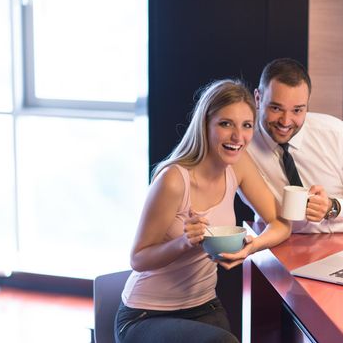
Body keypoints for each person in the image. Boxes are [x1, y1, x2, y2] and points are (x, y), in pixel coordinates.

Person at [115, 79, 291, 343]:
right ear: (205, 124)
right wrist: (185, 242)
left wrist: (250, 247)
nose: (238, 137)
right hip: (146, 315)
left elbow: (280, 224)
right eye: (225, 124)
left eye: (246, 126)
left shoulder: (239, 165)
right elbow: (138, 259)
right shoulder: (174, 180)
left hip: (204, 306)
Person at [238, 58, 343, 248]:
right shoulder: (241, 142)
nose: (286, 121)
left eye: (297, 110)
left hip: (340, 244)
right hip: (273, 246)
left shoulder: (337, 134)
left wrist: (332, 207)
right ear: (258, 99)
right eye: (276, 108)